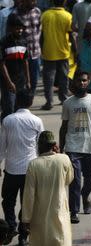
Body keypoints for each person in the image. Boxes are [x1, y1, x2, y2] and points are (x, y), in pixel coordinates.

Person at [59, 71, 91, 223]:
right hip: (72, 147)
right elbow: (63, 126)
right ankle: (74, 211)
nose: (82, 83)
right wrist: (61, 147)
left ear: (88, 82)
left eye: (84, 80)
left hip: (90, 146)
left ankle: (85, 197)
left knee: (89, 179)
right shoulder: (68, 103)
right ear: (74, 83)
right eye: (79, 81)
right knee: (75, 181)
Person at [0, 90, 42, 244]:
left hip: (11, 170)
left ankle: (11, 226)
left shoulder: (8, 120)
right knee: (27, 203)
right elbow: (41, 144)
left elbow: (2, 145)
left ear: (17, 102)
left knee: (8, 201)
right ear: (31, 103)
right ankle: (24, 235)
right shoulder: (36, 121)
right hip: (30, 170)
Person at [20, 131, 74, 246]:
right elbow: (68, 180)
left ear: (39, 146)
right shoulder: (64, 159)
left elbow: (29, 195)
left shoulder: (34, 164)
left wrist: (26, 219)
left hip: (40, 220)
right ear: (54, 145)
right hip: (60, 215)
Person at [41, 0, 75, 110]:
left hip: (48, 52)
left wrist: (41, 49)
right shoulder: (67, 16)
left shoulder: (45, 15)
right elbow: (71, 35)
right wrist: (75, 51)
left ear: (52, 1)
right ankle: (64, 99)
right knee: (63, 78)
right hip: (64, 52)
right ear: (64, 1)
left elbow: (42, 35)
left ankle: (49, 101)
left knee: (48, 80)